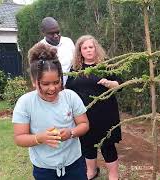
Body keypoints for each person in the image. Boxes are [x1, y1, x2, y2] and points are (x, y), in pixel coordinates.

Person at [12, 43, 89, 180]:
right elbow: (19, 138)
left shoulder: (70, 97)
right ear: (34, 81)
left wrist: (71, 133)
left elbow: (84, 124)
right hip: (44, 170)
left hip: (75, 165)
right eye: (45, 84)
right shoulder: (25, 103)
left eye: (56, 82)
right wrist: (39, 138)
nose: (52, 88)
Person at [66, 35, 122, 180]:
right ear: (80, 51)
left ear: (96, 48)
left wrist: (110, 83)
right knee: (87, 144)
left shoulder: (106, 65)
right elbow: (68, 89)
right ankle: (91, 171)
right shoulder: (75, 68)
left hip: (106, 114)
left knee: (107, 145)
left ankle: (113, 175)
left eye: (91, 47)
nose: (88, 50)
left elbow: (120, 84)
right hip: (84, 115)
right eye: (84, 48)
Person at [40, 17, 75, 85]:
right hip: (52, 90)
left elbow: (76, 62)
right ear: (43, 32)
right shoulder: (39, 49)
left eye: (58, 32)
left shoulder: (68, 42)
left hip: (71, 88)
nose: (56, 36)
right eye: (51, 33)